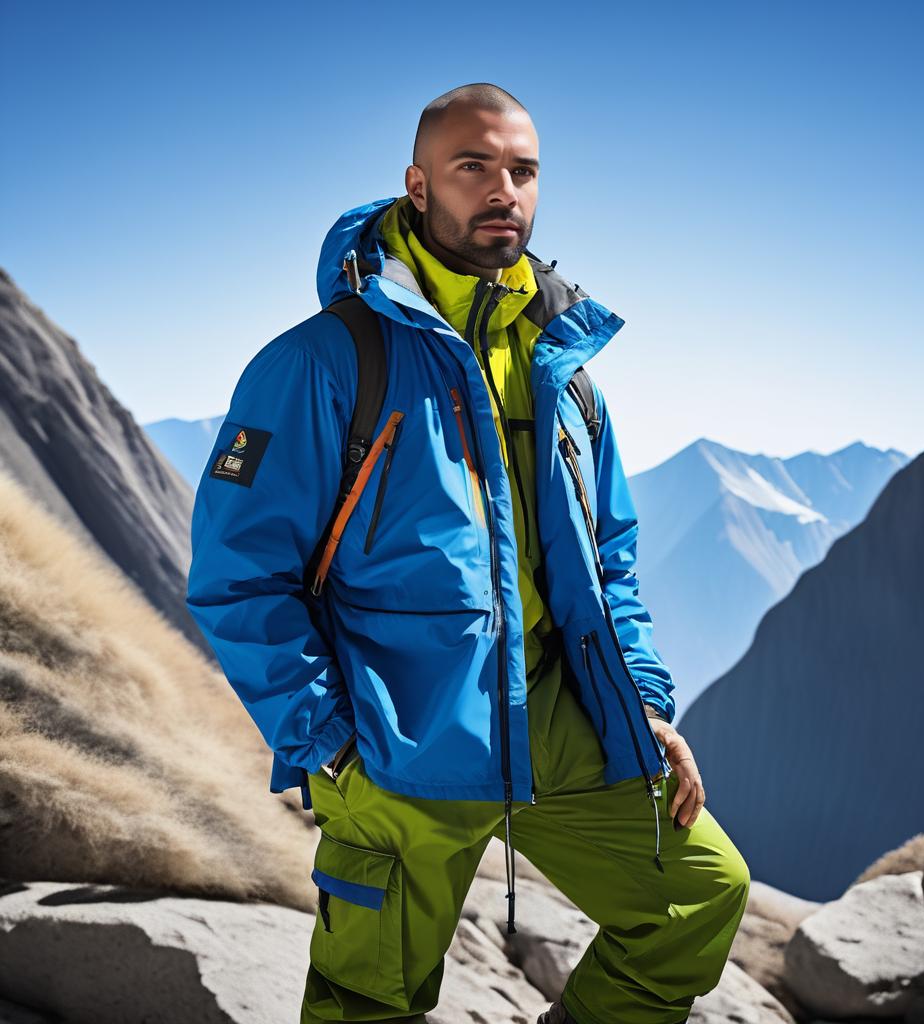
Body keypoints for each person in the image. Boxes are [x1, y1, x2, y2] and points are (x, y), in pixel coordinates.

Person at [186, 81, 750, 1024]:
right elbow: (239, 577)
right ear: (418, 185)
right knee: (367, 1001)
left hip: (559, 716)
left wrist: (642, 706)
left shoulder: (560, 367)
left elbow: (611, 560)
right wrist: (328, 745)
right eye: (473, 166)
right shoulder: (324, 362)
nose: (504, 190)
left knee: (697, 896)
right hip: (396, 731)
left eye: (523, 171)